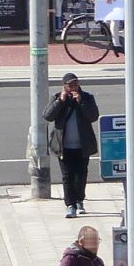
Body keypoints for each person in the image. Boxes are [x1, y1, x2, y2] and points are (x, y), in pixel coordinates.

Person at [43, 72, 100, 218]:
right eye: (71, 85)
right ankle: (70, 205)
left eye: (76, 84)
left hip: (82, 146)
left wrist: (81, 102)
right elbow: (48, 116)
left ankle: (79, 200)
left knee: (81, 175)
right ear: (65, 87)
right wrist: (60, 102)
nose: (74, 87)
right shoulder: (57, 98)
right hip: (64, 147)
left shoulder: (87, 97)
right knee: (67, 177)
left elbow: (93, 116)